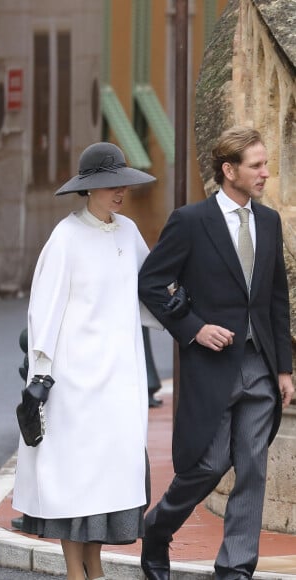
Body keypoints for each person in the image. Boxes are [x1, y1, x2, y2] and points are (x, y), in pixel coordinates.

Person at [138, 126, 293, 580]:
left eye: (265, 163)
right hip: (211, 367)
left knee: (252, 468)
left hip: (259, 365)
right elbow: (150, 282)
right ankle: (159, 528)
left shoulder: (269, 221)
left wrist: (284, 369)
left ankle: (235, 568)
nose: (265, 173)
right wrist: (194, 329)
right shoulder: (190, 222)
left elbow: (276, 300)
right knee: (208, 464)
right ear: (229, 171)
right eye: (256, 165)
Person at [12, 142, 157, 580]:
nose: (119, 192)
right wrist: (41, 375)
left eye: (122, 184)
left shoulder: (129, 232)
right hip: (73, 384)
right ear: (88, 189)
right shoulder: (65, 237)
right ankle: (76, 569)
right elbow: (44, 311)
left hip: (119, 381)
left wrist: (183, 309)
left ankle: (94, 564)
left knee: (109, 481)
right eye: (109, 184)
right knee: (72, 482)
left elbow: (148, 294)